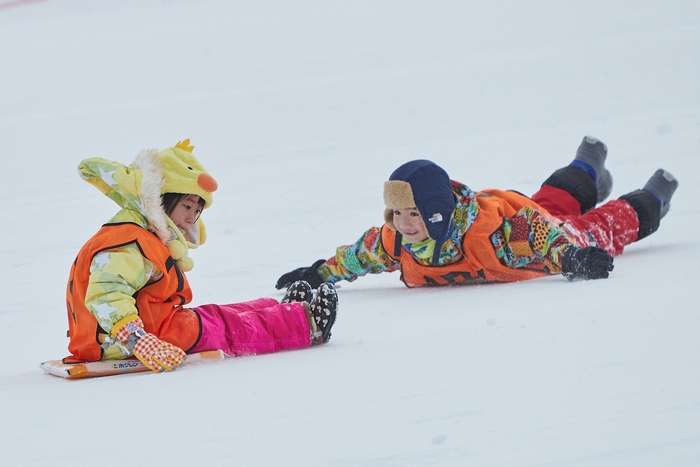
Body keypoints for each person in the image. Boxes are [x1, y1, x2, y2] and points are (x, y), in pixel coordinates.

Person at [65, 139, 337, 373]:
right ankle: (306, 324)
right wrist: (140, 340)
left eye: (197, 210)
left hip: (152, 327)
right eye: (186, 206)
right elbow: (105, 295)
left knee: (216, 314)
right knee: (224, 327)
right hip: (124, 341)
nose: (191, 217)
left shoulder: (144, 234)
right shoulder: (129, 242)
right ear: (161, 199)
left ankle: (284, 310)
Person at [276, 136, 679, 289]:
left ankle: (651, 199)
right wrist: (320, 273)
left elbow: (540, 234)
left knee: (592, 228)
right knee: (551, 201)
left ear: (436, 214)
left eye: (413, 213)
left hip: (541, 238)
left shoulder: (494, 236)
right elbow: (360, 255)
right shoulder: (397, 240)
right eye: (396, 213)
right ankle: (588, 168)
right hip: (527, 213)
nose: (403, 224)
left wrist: (572, 257)